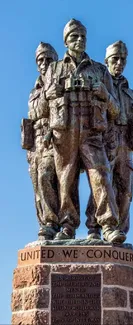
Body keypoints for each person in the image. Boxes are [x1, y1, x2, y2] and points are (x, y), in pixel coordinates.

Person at [45, 19, 126, 243]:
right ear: (65, 41)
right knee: (66, 181)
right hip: (65, 131)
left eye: (82, 36)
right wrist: (56, 90)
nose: (79, 40)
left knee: (101, 175)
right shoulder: (54, 69)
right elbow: (42, 106)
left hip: (92, 132)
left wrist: (104, 94)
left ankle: (108, 226)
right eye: (74, 36)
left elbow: (116, 110)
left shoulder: (100, 70)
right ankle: (67, 226)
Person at [86, 40, 133, 238]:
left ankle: (118, 231)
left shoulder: (131, 93)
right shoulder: (101, 85)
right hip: (105, 139)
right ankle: (94, 227)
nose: (119, 63)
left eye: (122, 59)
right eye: (115, 59)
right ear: (107, 61)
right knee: (102, 183)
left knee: (126, 189)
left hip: (126, 143)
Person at [22, 42, 60, 239]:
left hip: (57, 140)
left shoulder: (60, 82)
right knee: (38, 185)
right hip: (36, 143)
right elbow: (35, 111)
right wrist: (46, 95)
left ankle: (54, 222)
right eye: (41, 60)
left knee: (51, 178)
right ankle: (47, 224)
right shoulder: (36, 89)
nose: (44, 63)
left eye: (48, 59)